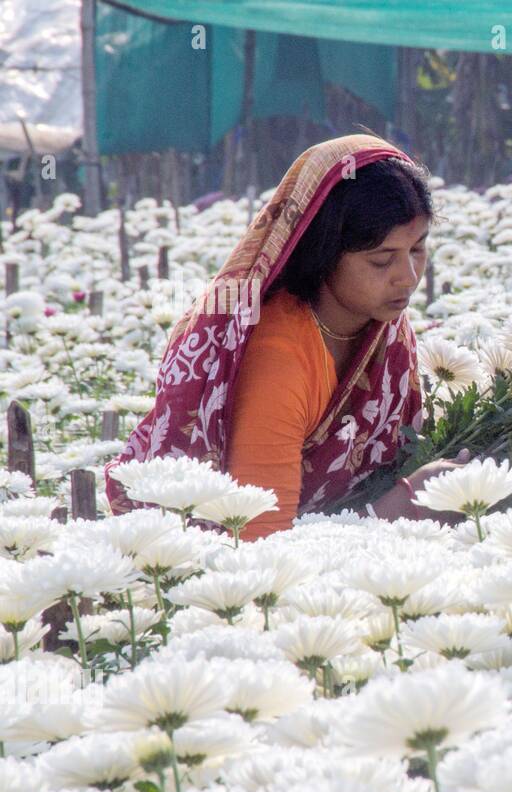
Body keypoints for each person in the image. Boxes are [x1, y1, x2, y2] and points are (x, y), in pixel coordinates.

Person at [105, 133, 461, 540]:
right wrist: (410, 500)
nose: (409, 277)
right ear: (324, 253)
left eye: (417, 249)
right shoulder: (279, 356)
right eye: (382, 260)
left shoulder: (380, 326)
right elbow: (262, 543)